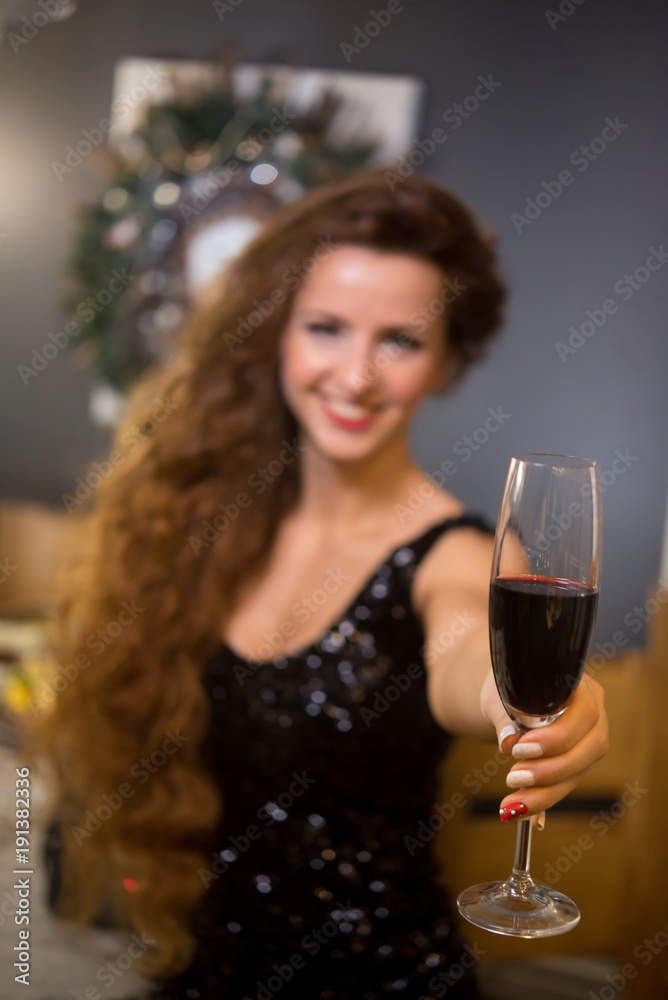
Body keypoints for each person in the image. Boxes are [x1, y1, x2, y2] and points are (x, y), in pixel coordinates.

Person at [32, 168, 608, 1000]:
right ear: (278, 335)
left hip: (382, 979)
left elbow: (468, 655)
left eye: (400, 341)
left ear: (447, 361)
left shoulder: (456, 555)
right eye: (327, 328)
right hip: (202, 969)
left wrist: (523, 700)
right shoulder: (215, 516)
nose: (357, 374)